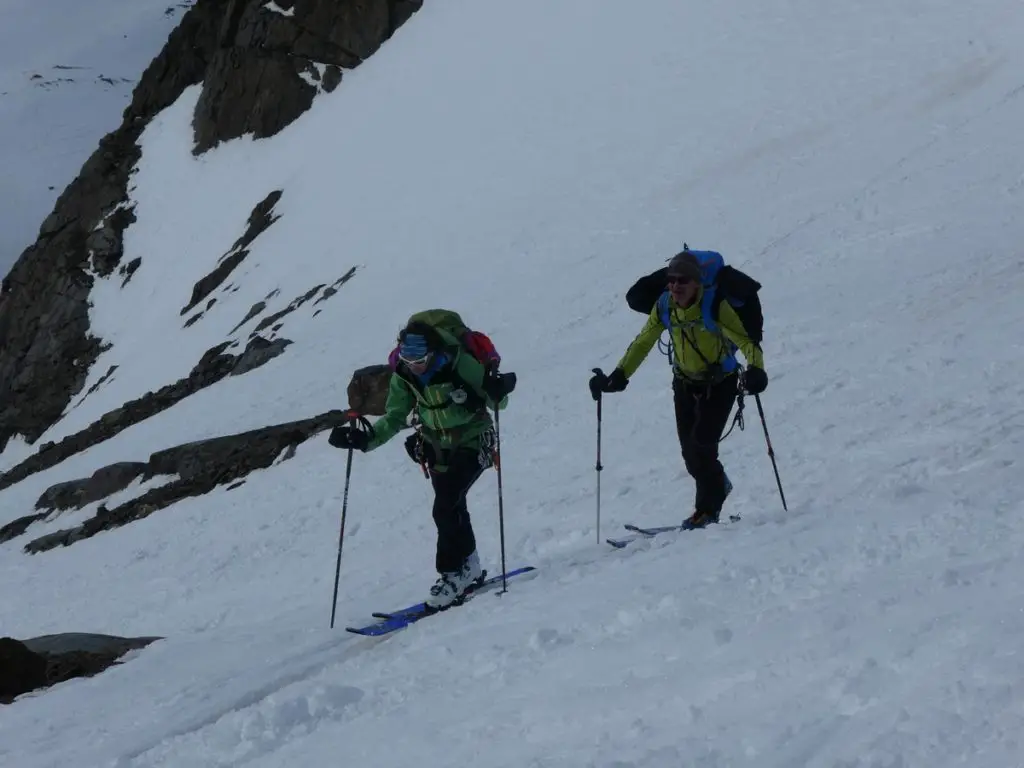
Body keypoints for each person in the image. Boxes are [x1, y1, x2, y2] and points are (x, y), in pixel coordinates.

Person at [329, 314, 516, 609]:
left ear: (434, 352)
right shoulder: (404, 373)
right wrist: (365, 440)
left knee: (445, 506)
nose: (414, 366)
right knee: (454, 506)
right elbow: (394, 416)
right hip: (435, 446)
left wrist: (497, 388)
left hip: (473, 439)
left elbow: (498, 402)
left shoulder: (459, 363)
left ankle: (452, 575)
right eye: (408, 359)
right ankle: (471, 566)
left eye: (420, 360)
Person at [589, 250, 767, 528]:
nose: (675, 286)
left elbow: (746, 341)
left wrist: (756, 369)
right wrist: (620, 375)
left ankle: (706, 509)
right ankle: (717, 485)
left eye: (682, 280)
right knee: (690, 455)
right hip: (683, 382)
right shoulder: (664, 306)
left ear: (697, 282)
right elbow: (643, 341)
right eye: (671, 280)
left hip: (720, 383)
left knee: (703, 446)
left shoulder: (715, 305)